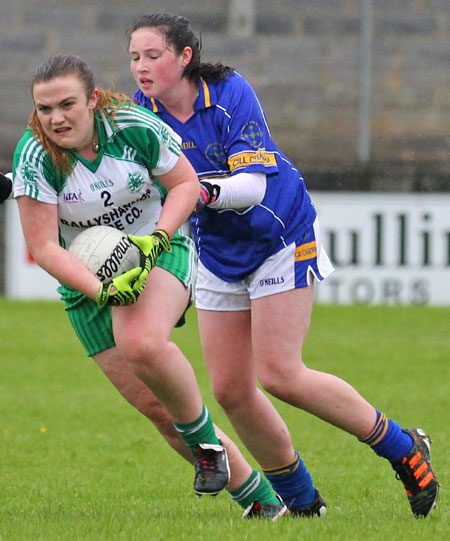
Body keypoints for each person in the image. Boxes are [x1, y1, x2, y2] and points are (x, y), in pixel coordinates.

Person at [128, 12, 439, 518]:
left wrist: (195, 192)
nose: (141, 67)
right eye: (134, 57)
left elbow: (252, 186)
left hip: (279, 232)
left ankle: (402, 448)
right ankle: (302, 506)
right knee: (230, 389)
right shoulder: (140, 114)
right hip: (217, 249)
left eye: (153, 55)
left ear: (185, 58)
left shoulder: (229, 93)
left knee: (279, 373)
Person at [11, 53, 289, 520]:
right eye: (44, 109)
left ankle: (205, 446)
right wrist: (102, 290)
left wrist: (156, 238)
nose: (56, 118)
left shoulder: (133, 126)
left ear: (93, 100)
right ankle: (263, 503)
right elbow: (44, 247)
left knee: (140, 341)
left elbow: (185, 186)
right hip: (87, 283)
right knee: (162, 413)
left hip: (159, 245)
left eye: (67, 104)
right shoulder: (36, 156)